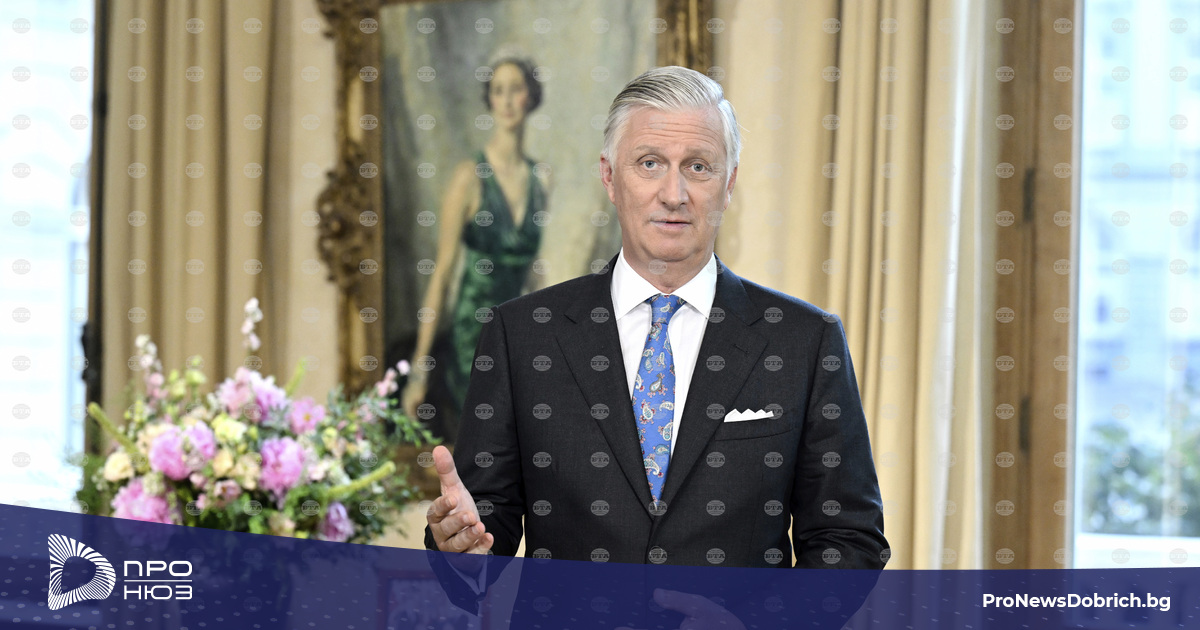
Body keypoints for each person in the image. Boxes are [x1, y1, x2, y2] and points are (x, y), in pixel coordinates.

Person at [424, 66, 887, 570]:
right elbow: (481, 528)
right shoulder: (521, 335)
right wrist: (459, 548)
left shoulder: (805, 342)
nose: (673, 194)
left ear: (729, 183)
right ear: (610, 177)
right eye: (649, 163)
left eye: (698, 167)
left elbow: (849, 538)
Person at [401, 53, 549, 429]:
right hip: (473, 341)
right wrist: (419, 371)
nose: (507, 100)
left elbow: (534, 277)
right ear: (490, 101)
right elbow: (441, 275)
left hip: (520, 341)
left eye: (516, 89)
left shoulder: (541, 179)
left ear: (530, 97)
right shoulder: (469, 177)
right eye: (498, 91)